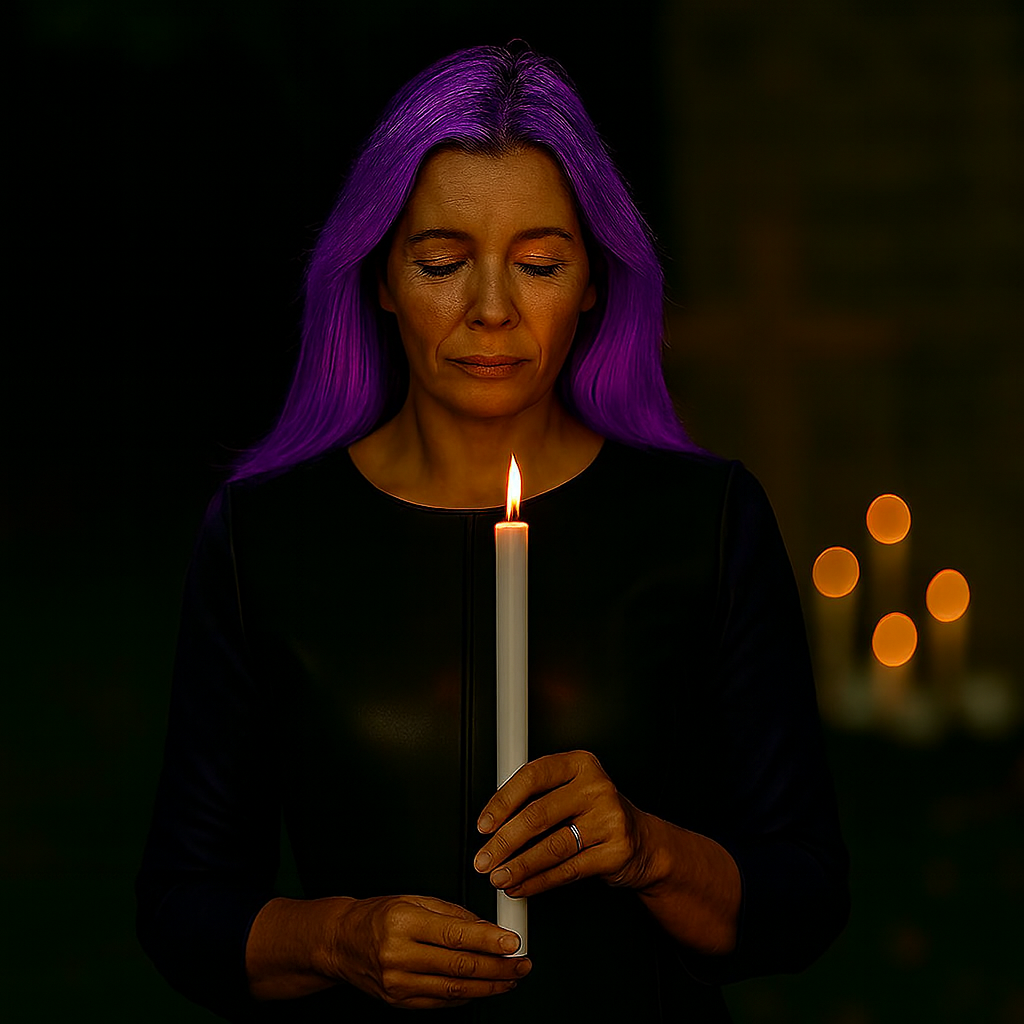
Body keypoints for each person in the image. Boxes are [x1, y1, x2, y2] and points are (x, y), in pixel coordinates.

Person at [136, 43, 849, 1022]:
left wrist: (650, 850)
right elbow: (182, 907)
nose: (491, 310)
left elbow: (804, 899)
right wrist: (337, 937)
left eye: (539, 264)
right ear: (381, 276)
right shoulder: (267, 535)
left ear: (592, 280)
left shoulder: (705, 522)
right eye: (441, 262)